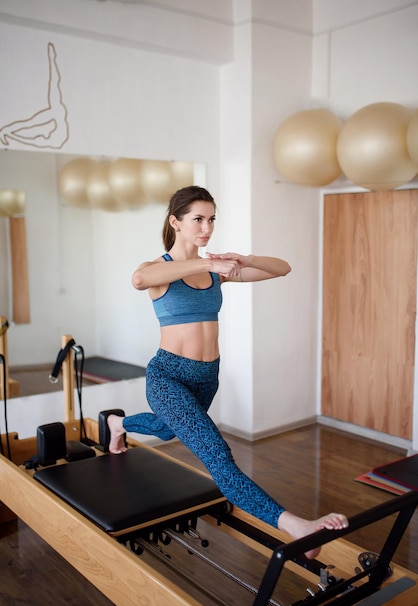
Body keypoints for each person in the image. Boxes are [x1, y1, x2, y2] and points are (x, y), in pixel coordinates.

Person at [108, 185, 348, 556]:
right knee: (218, 457)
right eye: (198, 219)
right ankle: (296, 527)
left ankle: (116, 424)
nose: (207, 228)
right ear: (176, 222)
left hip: (207, 377)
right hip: (168, 375)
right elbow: (139, 280)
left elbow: (282, 269)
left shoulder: (217, 274)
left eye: (211, 219)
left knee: (165, 428)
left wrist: (242, 257)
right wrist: (208, 263)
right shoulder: (159, 269)